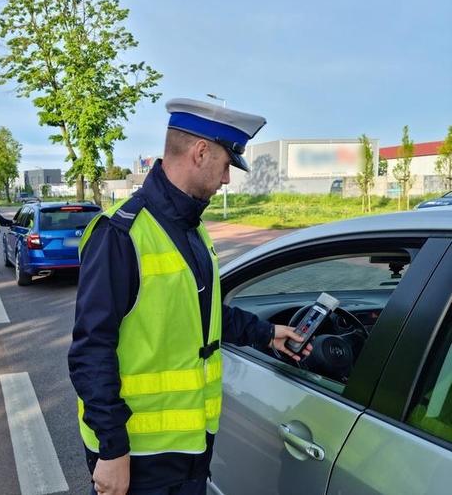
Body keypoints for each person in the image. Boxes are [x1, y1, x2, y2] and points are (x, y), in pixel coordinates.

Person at [68, 98, 312, 495]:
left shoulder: (191, 229)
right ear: (200, 152)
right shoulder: (120, 235)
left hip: (192, 447)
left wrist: (266, 334)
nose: (227, 180)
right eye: (226, 165)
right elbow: (90, 351)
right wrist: (112, 452)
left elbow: (203, 314)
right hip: (137, 458)